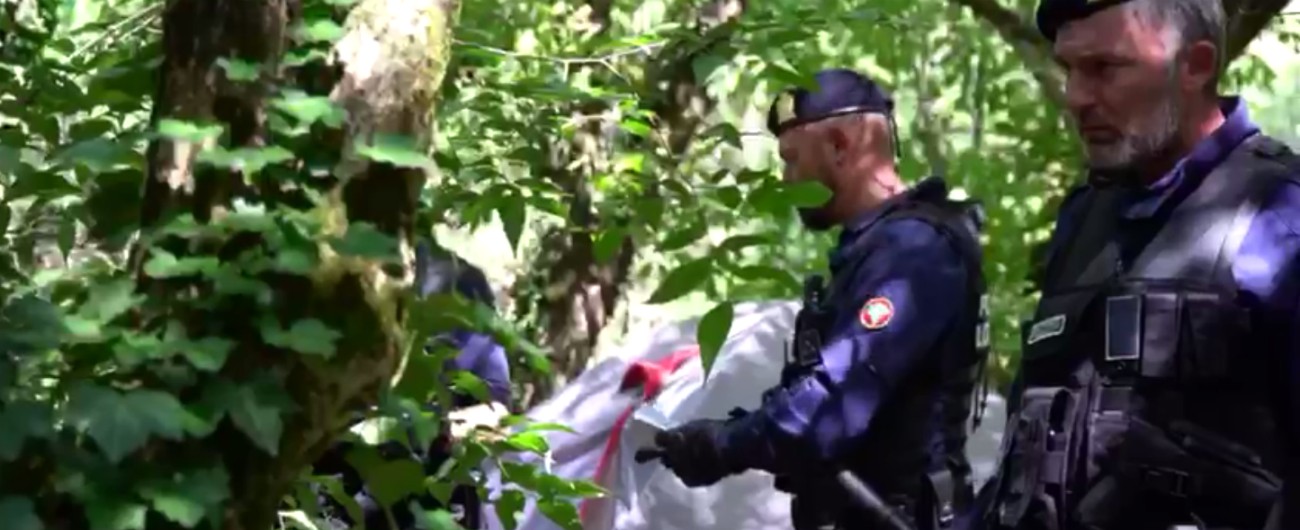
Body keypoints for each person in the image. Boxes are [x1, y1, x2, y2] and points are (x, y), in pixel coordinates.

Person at [967, 1, 1300, 529]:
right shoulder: (1086, 219)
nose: (1077, 97)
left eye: (1105, 68)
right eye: (1068, 69)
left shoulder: (1280, 219)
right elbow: (1027, 448)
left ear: (1195, 65)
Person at [644, 69, 992, 530]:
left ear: (840, 146)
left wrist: (722, 446)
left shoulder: (914, 252)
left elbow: (828, 408)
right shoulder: (875, 252)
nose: (786, 178)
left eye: (791, 159)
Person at [313, 241, 511, 530]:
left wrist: (438, 432)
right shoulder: (326, 272)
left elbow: (497, 412)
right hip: (338, 494)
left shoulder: (461, 284)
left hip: (430, 498)